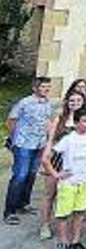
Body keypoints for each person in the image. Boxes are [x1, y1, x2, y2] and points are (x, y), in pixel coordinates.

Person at [42, 106, 86, 249]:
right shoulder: (68, 140)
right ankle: (63, 241)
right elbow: (45, 159)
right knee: (63, 214)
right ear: (76, 123)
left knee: (80, 213)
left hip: (84, 181)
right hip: (69, 182)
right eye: (85, 120)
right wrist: (56, 174)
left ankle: (76, 241)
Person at [3, 76, 53, 225]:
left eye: (48, 87)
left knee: (31, 175)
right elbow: (10, 120)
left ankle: (23, 204)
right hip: (23, 145)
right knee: (20, 176)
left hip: (39, 145)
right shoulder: (25, 103)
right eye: (43, 87)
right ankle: (9, 211)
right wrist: (14, 140)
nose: (46, 89)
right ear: (35, 88)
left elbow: (47, 122)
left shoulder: (47, 103)